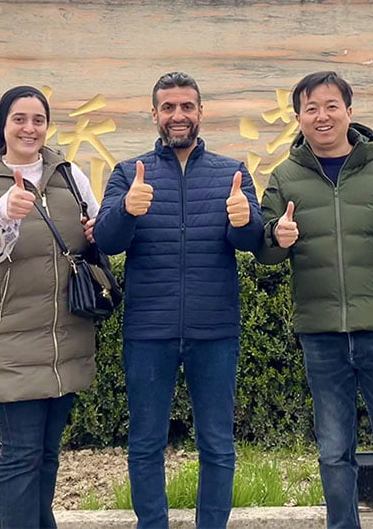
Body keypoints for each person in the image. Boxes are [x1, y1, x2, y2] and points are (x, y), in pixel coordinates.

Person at [255, 71, 373, 529]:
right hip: (321, 334)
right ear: (299, 117)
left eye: (331, 106)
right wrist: (277, 236)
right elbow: (264, 249)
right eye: (311, 108)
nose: (322, 116)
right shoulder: (286, 176)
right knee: (334, 452)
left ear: (349, 112)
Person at [93, 71, 264, 529]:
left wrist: (245, 220)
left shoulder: (231, 172)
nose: (178, 115)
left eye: (187, 106)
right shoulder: (129, 173)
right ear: (154, 114)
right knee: (146, 444)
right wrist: (126, 210)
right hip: (149, 330)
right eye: (168, 107)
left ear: (201, 111)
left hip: (215, 329)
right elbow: (107, 241)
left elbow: (252, 241)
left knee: (217, 444)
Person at [0, 85, 101, 529]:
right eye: (19, 118)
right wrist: (7, 212)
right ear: (2, 125)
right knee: (20, 456)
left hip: (66, 337)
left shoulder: (69, 176)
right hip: (13, 341)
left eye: (38, 119)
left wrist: (97, 229)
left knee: (47, 455)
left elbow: (95, 232)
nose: (29, 128)